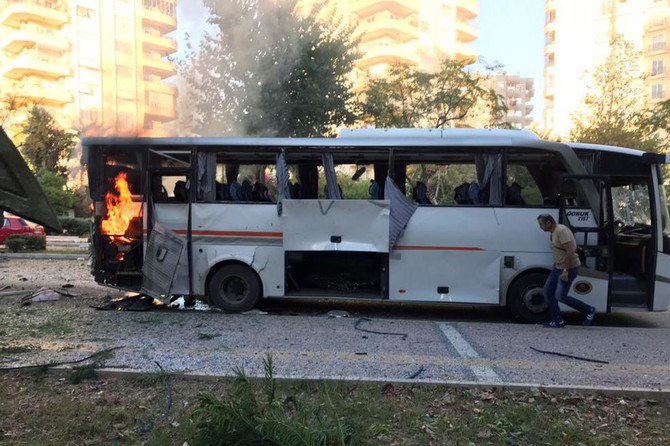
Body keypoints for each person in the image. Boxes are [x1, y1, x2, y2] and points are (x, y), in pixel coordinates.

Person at [537, 214, 596, 327]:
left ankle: (589, 310)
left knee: (561, 296)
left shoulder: (561, 231)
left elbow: (570, 251)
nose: (540, 227)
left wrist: (565, 270)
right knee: (548, 292)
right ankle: (557, 321)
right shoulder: (553, 232)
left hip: (569, 268)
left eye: (541, 224)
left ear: (548, 223)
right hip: (557, 268)